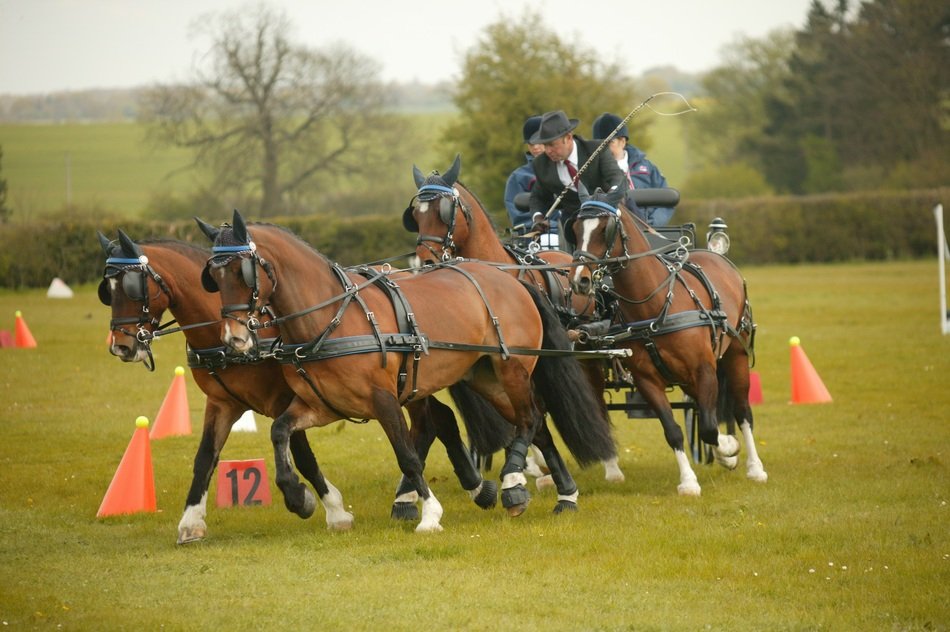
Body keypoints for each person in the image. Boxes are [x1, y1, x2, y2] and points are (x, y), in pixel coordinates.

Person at [527, 110, 627, 251]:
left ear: (568, 137)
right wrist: (537, 218)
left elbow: (616, 178)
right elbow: (538, 197)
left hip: (613, 213)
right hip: (576, 225)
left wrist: (611, 197)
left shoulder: (597, 150)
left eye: (552, 144)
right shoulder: (541, 164)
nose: (548, 150)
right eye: (545, 145)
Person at [592, 112, 675, 227]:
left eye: (609, 142)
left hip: (649, 230)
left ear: (622, 141)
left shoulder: (647, 168)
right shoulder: (593, 171)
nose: (603, 148)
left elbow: (666, 201)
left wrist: (653, 224)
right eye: (600, 144)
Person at [504, 115, 544, 234]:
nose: (535, 147)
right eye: (531, 143)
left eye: (539, 142)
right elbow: (518, 217)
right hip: (536, 238)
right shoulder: (518, 177)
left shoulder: (565, 170)